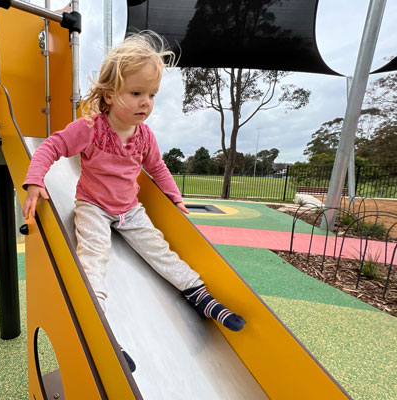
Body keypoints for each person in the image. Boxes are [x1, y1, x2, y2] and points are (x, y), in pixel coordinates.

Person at [22, 32, 245, 370]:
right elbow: (51, 146)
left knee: (159, 249)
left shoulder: (145, 136)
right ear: (110, 96)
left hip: (130, 210)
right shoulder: (91, 128)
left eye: (152, 95)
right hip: (93, 207)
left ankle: (199, 295)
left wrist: (174, 198)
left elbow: (157, 167)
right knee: (93, 258)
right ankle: (100, 324)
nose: (146, 102)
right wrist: (35, 180)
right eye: (137, 93)